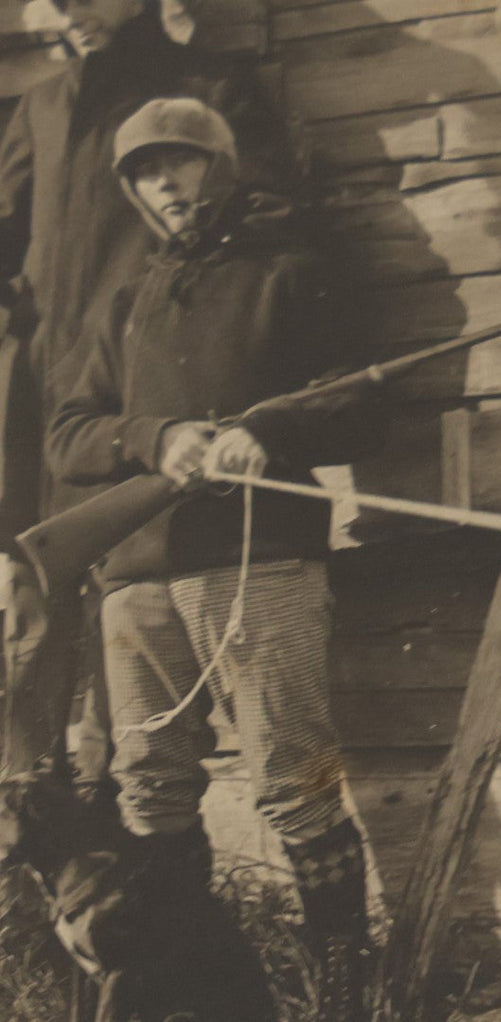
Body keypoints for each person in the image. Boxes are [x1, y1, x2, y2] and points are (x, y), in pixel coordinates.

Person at [46, 97, 381, 1021]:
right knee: (150, 793)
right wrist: (153, 438)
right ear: (130, 191)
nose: (167, 184)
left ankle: (343, 1001)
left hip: (259, 562)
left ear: (223, 167)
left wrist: (267, 430)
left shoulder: (292, 271)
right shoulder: (124, 305)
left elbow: (363, 394)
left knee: (296, 783)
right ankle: (184, 997)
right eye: (147, 172)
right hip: (136, 581)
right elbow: (68, 435)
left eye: (183, 164)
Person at [0, 0, 298, 788]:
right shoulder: (41, 105)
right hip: (52, 412)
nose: (66, 9)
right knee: (33, 622)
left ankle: (141, 873)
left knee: (133, 645)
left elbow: (262, 237)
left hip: (152, 405)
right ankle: (46, 859)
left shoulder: (206, 89)